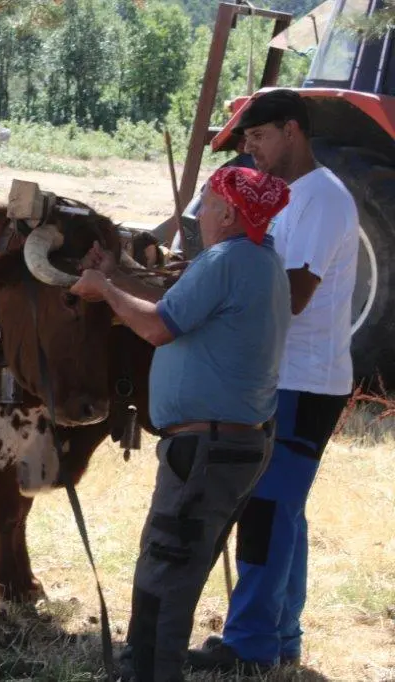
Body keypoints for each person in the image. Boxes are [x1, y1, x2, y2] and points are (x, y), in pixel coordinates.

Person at [70, 165, 292, 682]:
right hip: (231, 446)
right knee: (176, 570)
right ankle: (143, 666)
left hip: (207, 450)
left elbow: (156, 326)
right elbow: (174, 308)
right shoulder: (260, 260)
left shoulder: (225, 260)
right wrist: (117, 275)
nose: (200, 215)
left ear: (229, 213)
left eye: (207, 204)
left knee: (166, 575)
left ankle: (149, 672)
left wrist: (104, 287)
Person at [187, 89, 359, 673]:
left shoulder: (321, 201)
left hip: (305, 383)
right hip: (285, 377)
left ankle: (252, 646)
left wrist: (214, 302)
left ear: (291, 130)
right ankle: (280, 635)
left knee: (266, 509)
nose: (252, 151)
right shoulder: (292, 197)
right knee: (283, 509)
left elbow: (295, 295)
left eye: (257, 138)